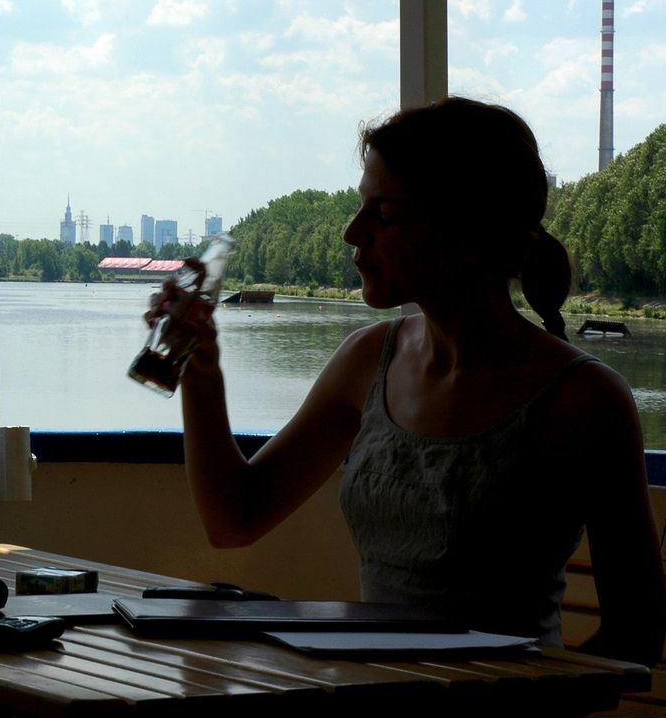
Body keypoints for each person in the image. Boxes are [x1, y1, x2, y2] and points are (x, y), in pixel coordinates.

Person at [160, 96, 666, 666]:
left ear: (467, 233)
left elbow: (637, 634)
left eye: (385, 214)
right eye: (361, 208)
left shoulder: (583, 399)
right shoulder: (367, 359)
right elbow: (236, 518)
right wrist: (201, 369)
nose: (353, 233)